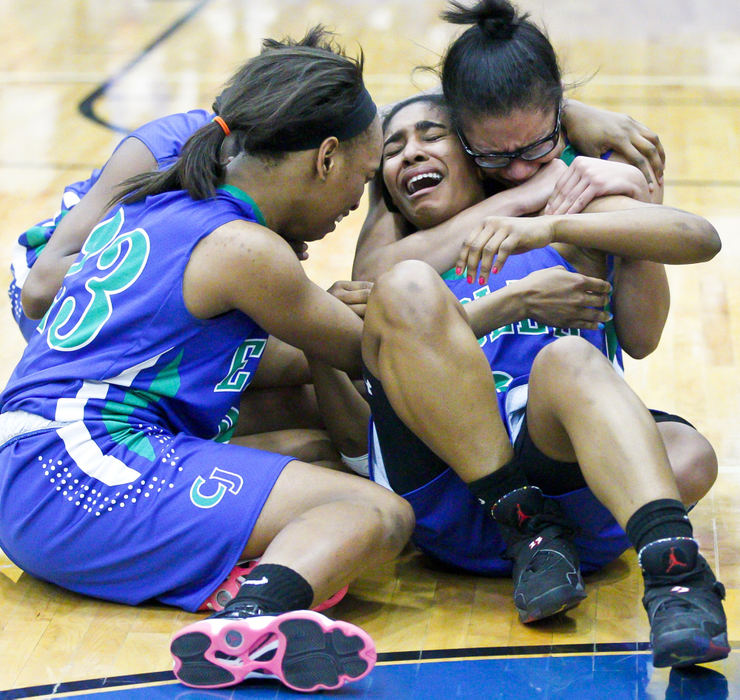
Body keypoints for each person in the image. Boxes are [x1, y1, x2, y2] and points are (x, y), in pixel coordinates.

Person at [0, 27, 416, 693]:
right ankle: (254, 619)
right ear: (327, 158)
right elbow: (384, 356)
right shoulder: (245, 249)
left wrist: (319, 315)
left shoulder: (171, 196)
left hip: (34, 473)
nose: (351, 205)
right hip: (75, 474)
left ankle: (234, 585)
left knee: (312, 450)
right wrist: (501, 303)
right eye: (363, 182)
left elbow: (291, 363)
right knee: (378, 515)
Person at [357, 7, 728, 668]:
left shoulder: (575, 194)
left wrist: (591, 211)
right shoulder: (404, 212)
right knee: (410, 290)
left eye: (537, 149)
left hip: (559, 495)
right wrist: (513, 298)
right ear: (469, 136)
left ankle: (675, 576)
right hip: (454, 496)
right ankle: (523, 517)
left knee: (676, 443)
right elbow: (377, 297)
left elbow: (688, 256)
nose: (522, 170)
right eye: (499, 155)